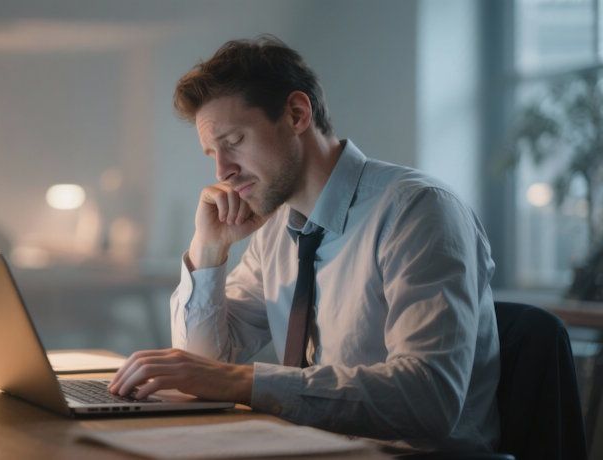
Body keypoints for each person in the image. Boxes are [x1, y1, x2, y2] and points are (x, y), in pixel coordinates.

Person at [108, 35, 499, 452]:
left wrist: (243, 381)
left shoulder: (418, 212)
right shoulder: (278, 230)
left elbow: (427, 399)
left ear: (296, 114)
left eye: (233, 142)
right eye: (211, 153)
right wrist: (209, 250)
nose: (222, 170)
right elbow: (202, 369)